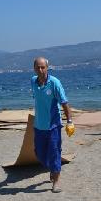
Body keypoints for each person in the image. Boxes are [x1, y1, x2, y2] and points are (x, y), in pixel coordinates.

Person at [31, 57, 74, 193]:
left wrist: (70, 121)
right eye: (38, 67)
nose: (40, 70)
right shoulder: (33, 81)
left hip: (53, 126)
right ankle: (52, 168)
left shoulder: (54, 83)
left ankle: (56, 181)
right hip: (38, 126)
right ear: (34, 68)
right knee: (39, 154)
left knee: (55, 153)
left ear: (47, 67)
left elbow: (64, 103)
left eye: (43, 67)